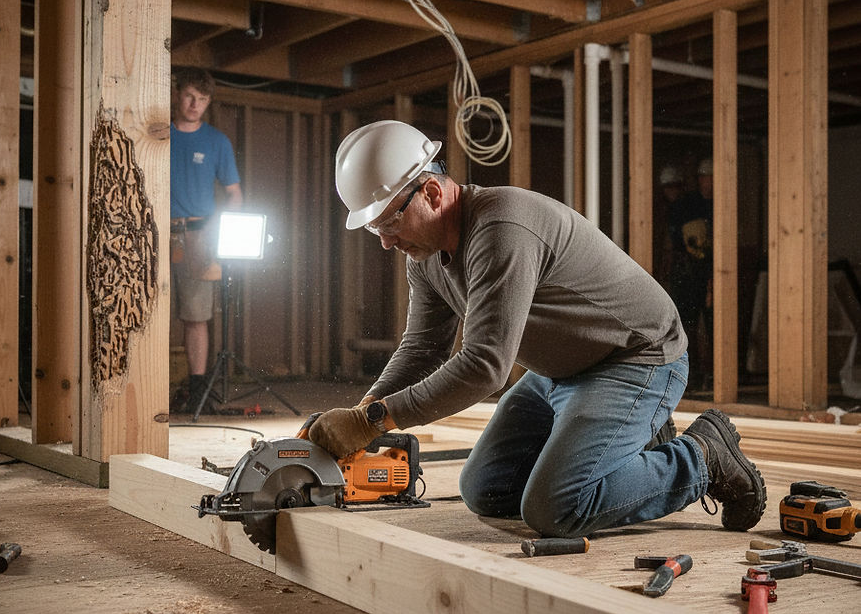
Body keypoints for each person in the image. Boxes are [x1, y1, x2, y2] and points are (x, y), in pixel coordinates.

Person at [309, 121, 765, 537]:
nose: (386, 241)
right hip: (558, 370)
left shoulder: (501, 227)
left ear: (431, 193)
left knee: (556, 509)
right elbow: (423, 349)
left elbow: (485, 367)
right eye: (374, 229)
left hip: (635, 359)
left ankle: (703, 456)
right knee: (486, 489)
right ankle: (638, 442)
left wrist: (370, 422)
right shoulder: (425, 257)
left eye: (390, 221)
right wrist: (363, 410)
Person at [169, 67, 242, 411]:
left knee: (196, 315)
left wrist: (216, 228)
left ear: (208, 102)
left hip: (199, 235)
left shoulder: (216, 142)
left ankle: (197, 393)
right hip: (155, 232)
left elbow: (234, 195)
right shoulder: (158, 134)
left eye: (202, 99)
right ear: (177, 94)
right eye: (189, 96)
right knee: (146, 311)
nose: (194, 104)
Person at [660, 160, 714, 390]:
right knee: (687, 325)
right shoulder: (681, 208)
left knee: (709, 325)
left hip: (704, 272)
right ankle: (691, 375)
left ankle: (709, 375)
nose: (670, 192)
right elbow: (671, 245)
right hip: (685, 273)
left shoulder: (703, 207)